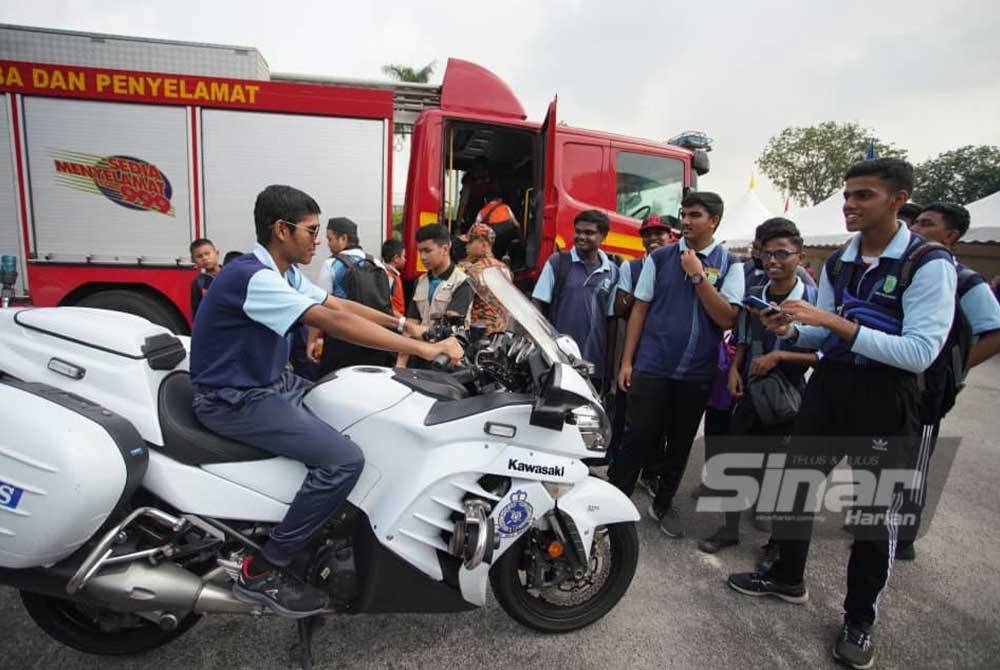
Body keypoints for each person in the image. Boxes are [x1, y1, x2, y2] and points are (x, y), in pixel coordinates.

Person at [189, 185, 461, 617]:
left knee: (357, 408)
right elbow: (332, 320)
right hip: (235, 399)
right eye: (312, 229)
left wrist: (407, 326)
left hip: (270, 385)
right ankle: (263, 570)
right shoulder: (252, 277)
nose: (319, 238)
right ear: (282, 229)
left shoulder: (282, 272)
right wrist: (427, 352)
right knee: (343, 461)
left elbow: (338, 302)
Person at [727, 159, 957, 670]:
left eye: (864, 196)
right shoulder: (839, 261)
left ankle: (859, 618)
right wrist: (788, 331)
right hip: (830, 389)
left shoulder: (928, 263)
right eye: (847, 195)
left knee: (873, 518)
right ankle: (787, 576)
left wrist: (835, 324)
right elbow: (822, 335)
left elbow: (920, 352)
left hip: (887, 399)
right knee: (796, 489)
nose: (850, 205)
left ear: (898, 200)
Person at [612, 192, 744, 538]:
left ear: (713, 220)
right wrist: (628, 361)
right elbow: (639, 309)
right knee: (637, 435)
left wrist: (698, 276)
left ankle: (663, 504)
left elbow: (728, 318)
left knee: (681, 442)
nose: (685, 221)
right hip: (653, 365)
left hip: (698, 372)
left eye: (695, 215)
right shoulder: (659, 259)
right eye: (683, 214)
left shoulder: (731, 265)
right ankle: (613, 501)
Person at [699, 219, 818, 554]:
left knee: (782, 469)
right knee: (736, 461)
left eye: (782, 253)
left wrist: (780, 356)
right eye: (767, 254)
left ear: (800, 255)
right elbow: (744, 340)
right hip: (752, 390)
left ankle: (777, 544)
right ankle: (728, 529)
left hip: (788, 396)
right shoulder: (756, 297)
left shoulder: (812, 299)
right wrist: (735, 370)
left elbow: (824, 354)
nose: (774, 261)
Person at [899, 202, 1000, 558]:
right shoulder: (910, 268)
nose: (915, 229)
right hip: (897, 386)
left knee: (916, 460)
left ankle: (903, 538)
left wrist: (954, 371)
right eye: (914, 223)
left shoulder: (963, 277)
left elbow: (995, 331)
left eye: (926, 224)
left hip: (930, 389)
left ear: (951, 235)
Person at [607, 214, 675, 476]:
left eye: (659, 233)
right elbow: (621, 307)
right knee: (627, 413)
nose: (653, 238)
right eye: (647, 234)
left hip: (665, 352)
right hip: (636, 352)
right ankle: (618, 469)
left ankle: (650, 471)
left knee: (660, 418)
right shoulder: (631, 268)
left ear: (670, 237)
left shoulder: (679, 267)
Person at [531, 209, 619, 391]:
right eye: (578, 231)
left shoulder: (612, 271)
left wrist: (609, 367)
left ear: (603, 236)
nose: (581, 237)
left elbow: (612, 321)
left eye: (589, 233)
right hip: (557, 362)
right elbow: (537, 304)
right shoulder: (558, 262)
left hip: (593, 365)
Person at [309, 217, 394, 372]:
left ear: (343, 238)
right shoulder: (377, 263)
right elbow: (386, 303)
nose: (328, 244)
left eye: (330, 239)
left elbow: (319, 305)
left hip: (342, 342)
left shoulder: (331, 264)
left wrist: (311, 341)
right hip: (375, 341)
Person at [399, 223, 474, 366]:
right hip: (419, 357)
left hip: (447, 361)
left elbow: (451, 326)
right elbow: (411, 324)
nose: (422, 257)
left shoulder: (463, 282)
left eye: (427, 251)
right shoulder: (420, 282)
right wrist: (401, 363)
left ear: (445, 249)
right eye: (420, 251)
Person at [463, 223, 513, 335]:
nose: (467, 247)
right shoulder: (504, 268)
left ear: (483, 245)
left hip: (479, 330)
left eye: (470, 242)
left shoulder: (474, 269)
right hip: (501, 329)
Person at [475, 189, 521, 261]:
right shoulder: (506, 207)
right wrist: (521, 237)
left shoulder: (482, 211)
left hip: (493, 239)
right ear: (500, 200)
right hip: (507, 237)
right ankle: (507, 255)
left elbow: (476, 227)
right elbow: (517, 224)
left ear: (485, 200)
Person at [456, 157, 498, 231]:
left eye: (483, 170)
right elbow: (463, 204)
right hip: (470, 209)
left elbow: (495, 199)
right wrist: (458, 226)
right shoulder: (469, 182)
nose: (480, 173)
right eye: (478, 170)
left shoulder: (490, 182)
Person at [189, 238, 221, 317]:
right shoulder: (198, 283)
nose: (205, 258)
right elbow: (197, 310)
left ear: (217, 253)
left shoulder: (230, 274)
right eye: (199, 256)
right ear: (193, 260)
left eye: (207, 253)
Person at [381, 238, 406, 316]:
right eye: (403, 256)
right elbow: (386, 304)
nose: (405, 260)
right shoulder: (389, 277)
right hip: (394, 320)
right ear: (396, 258)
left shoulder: (388, 274)